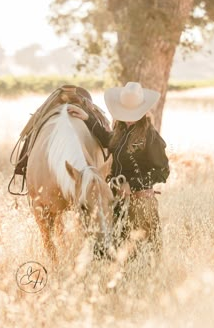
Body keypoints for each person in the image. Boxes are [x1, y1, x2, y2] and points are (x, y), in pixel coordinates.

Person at [67, 82, 170, 255]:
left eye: (132, 113)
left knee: (141, 253)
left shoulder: (150, 137)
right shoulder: (120, 129)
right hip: (116, 199)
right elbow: (108, 140)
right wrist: (88, 118)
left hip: (140, 204)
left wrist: (132, 184)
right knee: (115, 250)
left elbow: (162, 172)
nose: (128, 118)